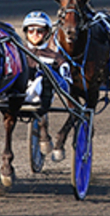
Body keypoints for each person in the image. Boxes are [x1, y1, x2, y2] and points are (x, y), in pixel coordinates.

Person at [21, 11, 72, 160]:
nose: (35, 34)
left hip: (43, 97)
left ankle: (44, 130)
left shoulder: (56, 57)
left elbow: (66, 84)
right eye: (31, 30)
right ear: (26, 32)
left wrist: (50, 73)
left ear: (47, 33)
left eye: (40, 31)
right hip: (17, 94)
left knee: (44, 75)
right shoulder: (19, 53)